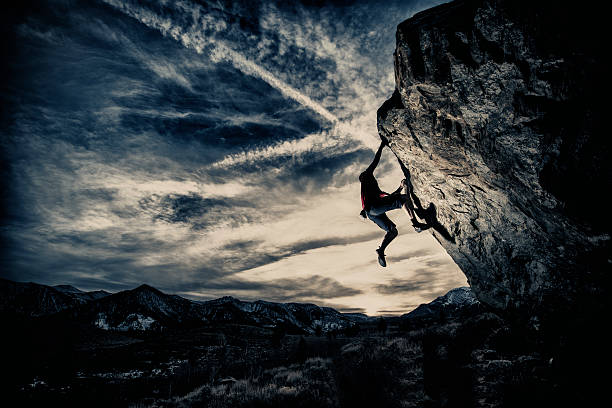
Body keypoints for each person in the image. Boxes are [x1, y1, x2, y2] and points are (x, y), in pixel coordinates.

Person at [359, 139, 423, 267]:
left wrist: (400, 187)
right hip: (373, 208)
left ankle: (381, 250)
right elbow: (375, 161)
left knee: (393, 231)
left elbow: (391, 197)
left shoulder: (375, 191)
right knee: (402, 200)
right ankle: (415, 224)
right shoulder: (367, 176)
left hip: (372, 213)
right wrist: (382, 147)